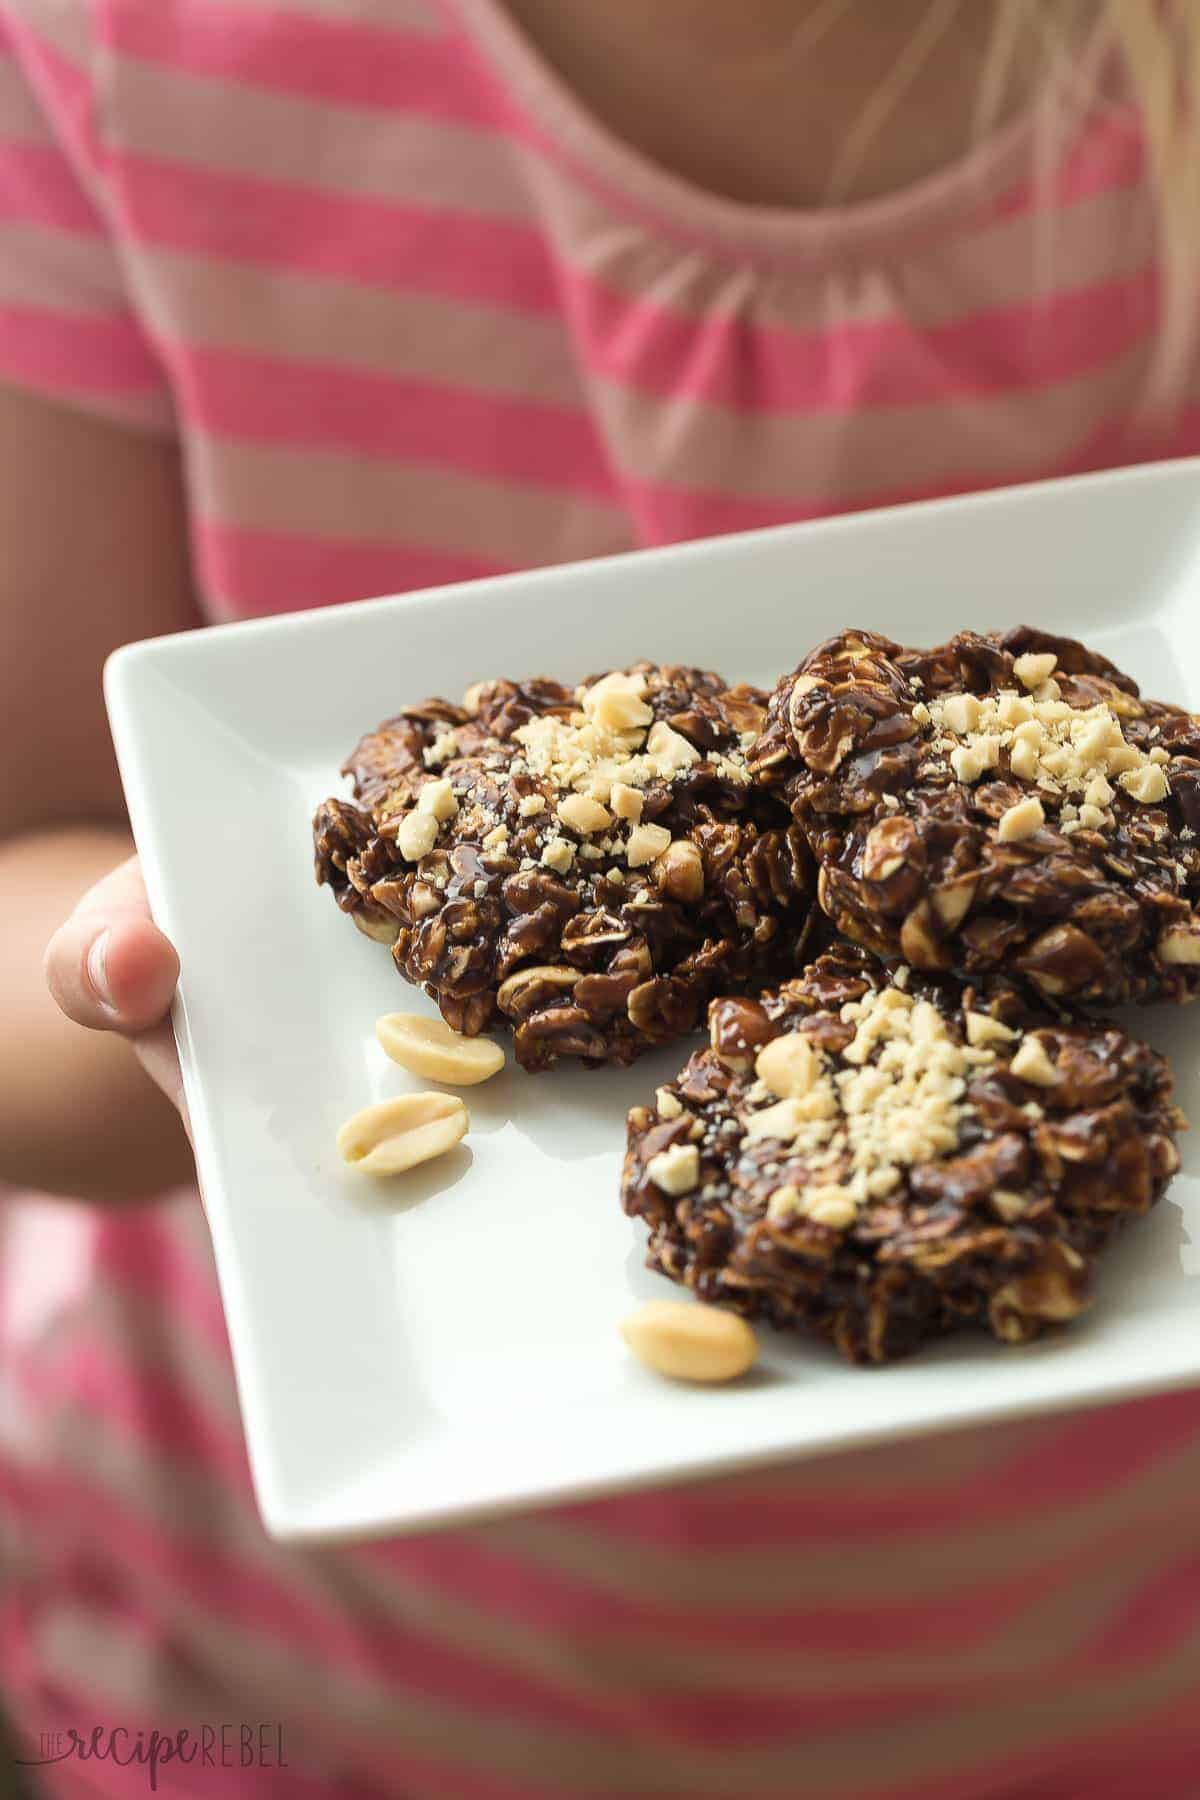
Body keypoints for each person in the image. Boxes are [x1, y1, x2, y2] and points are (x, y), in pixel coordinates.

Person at [3, 1, 1199, 1793]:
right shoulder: (116, 51)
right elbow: (28, 859)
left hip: (1102, 1643)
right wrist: (166, 1009)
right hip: (331, 1637)